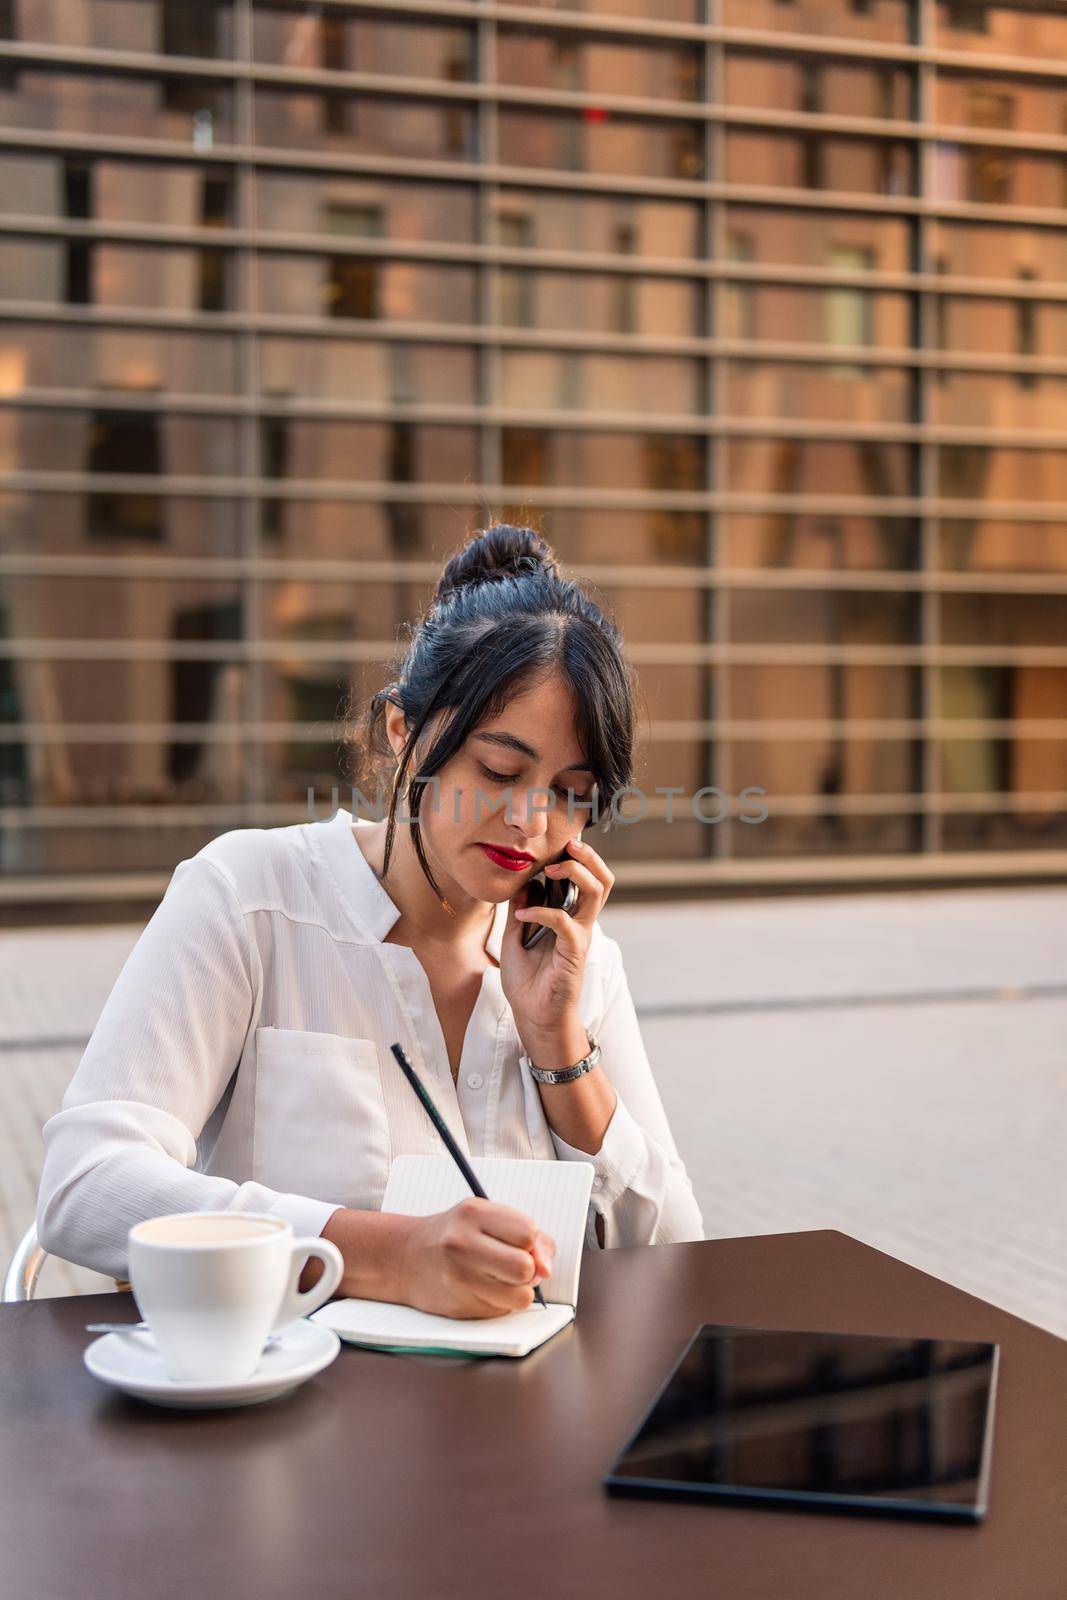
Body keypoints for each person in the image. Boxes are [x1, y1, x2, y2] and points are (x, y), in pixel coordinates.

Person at [36, 525, 704, 1318]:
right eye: (498, 770)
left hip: (518, 1420)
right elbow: (85, 1186)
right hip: (292, 1414)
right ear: (401, 734)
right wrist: (385, 1253)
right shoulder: (252, 896)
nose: (530, 820)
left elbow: (674, 1252)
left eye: (570, 791)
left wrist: (559, 1048)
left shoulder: (573, 964)